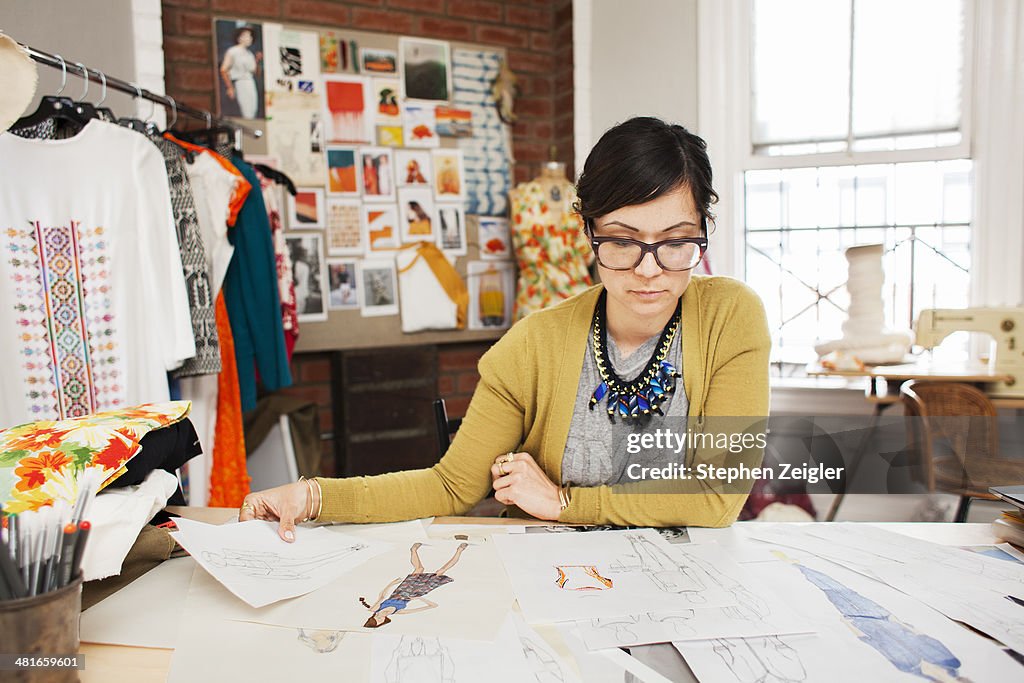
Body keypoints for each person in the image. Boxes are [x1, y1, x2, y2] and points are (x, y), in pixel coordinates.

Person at [240, 116, 771, 541]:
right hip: (553, 587)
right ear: (588, 232)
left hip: (686, 588)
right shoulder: (534, 343)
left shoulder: (730, 317)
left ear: (704, 230)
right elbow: (449, 486)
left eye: (676, 241)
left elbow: (716, 498)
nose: (649, 268)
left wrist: (564, 503)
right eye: (622, 240)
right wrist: (311, 498)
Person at [220, 26, 261, 119]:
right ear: (239, 37)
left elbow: (256, 73)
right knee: (246, 112)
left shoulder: (249, 54)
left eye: (250, 36)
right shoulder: (232, 51)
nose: (249, 38)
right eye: (246, 36)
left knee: (252, 110)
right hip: (240, 83)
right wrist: (230, 87)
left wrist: (257, 60)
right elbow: (223, 69)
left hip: (250, 83)